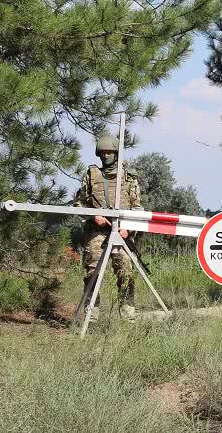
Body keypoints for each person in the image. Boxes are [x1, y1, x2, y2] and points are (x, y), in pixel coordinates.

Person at [74, 135, 143, 321]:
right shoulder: (91, 175)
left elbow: (138, 210)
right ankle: (91, 317)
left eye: (109, 152)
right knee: (92, 274)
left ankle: (128, 318)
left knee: (126, 275)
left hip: (122, 234)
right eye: (102, 152)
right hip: (97, 233)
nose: (106, 155)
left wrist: (128, 229)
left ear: (116, 153)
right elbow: (78, 203)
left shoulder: (129, 178)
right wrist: (92, 216)